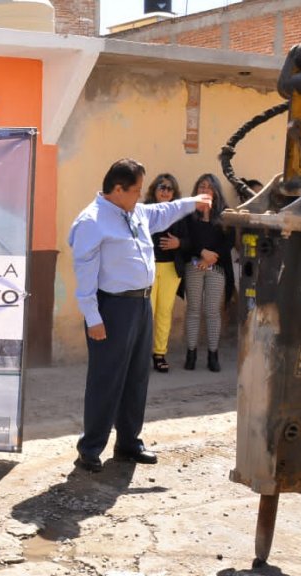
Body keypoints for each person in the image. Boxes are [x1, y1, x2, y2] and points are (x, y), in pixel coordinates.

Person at [68, 159, 210, 472]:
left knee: (136, 377)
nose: (140, 196)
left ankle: (129, 443)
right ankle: (90, 448)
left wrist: (192, 203)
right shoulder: (92, 221)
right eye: (135, 190)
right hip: (112, 308)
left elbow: (163, 212)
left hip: (140, 305)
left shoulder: (136, 212)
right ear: (117, 189)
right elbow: (85, 273)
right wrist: (93, 317)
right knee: (106, 379)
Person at [177, 173, 234, 373]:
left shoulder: (225, 214)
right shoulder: (189, 214)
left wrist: (212, 256)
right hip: (194, 265)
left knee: (212, 311)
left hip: (216, 268)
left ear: (216, 191)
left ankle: (213, 355)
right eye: (201, 186)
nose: (204, 190)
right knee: (193, 310)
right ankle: (191, 354)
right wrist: (202, 254)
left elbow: (229, 242)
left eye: (208, 187)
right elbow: (187, 239)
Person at [146, 174, 182, 373]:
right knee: (146, 313)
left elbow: (189, 241)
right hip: (149, 268)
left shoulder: (179, 214)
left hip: (170, 269)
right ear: (154, 189)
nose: (165, 191)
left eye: (170, 188)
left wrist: (179, 243)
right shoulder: (144, 211)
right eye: (162, 187)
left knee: (164, 312)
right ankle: (142, 354)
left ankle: (159, 354)